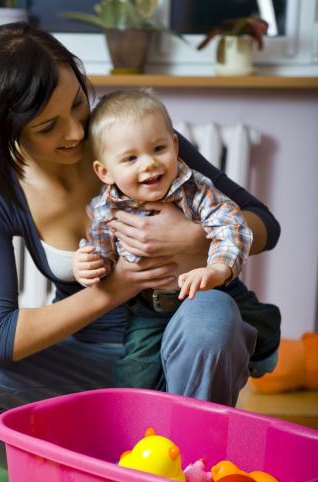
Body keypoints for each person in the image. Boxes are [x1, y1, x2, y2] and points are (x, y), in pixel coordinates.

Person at [0, 22, 281, 470]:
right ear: (5, 131)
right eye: (48, 126)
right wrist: (118, 285)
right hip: (88, 364)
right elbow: (0, 339)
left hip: (182, 353)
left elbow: (265, 224)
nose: (76, 133)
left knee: (214, 314)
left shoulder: (127, 137)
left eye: (78, 103)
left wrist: (194, 239)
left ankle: (184, 479)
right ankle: (83, 473)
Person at [73, 89, 280, 390]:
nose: (149, 164)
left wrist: (218, 269)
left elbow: (230, 225)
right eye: (130, 158)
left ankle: (265, 342)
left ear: (174, 144)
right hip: (149, 307)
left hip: (213, 287)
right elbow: (102, 248)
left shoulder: (195, 190)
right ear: (105, 172)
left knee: (255, 324)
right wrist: (89, 262)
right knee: (132, 375)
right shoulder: (105, 209)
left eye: (158, 149)